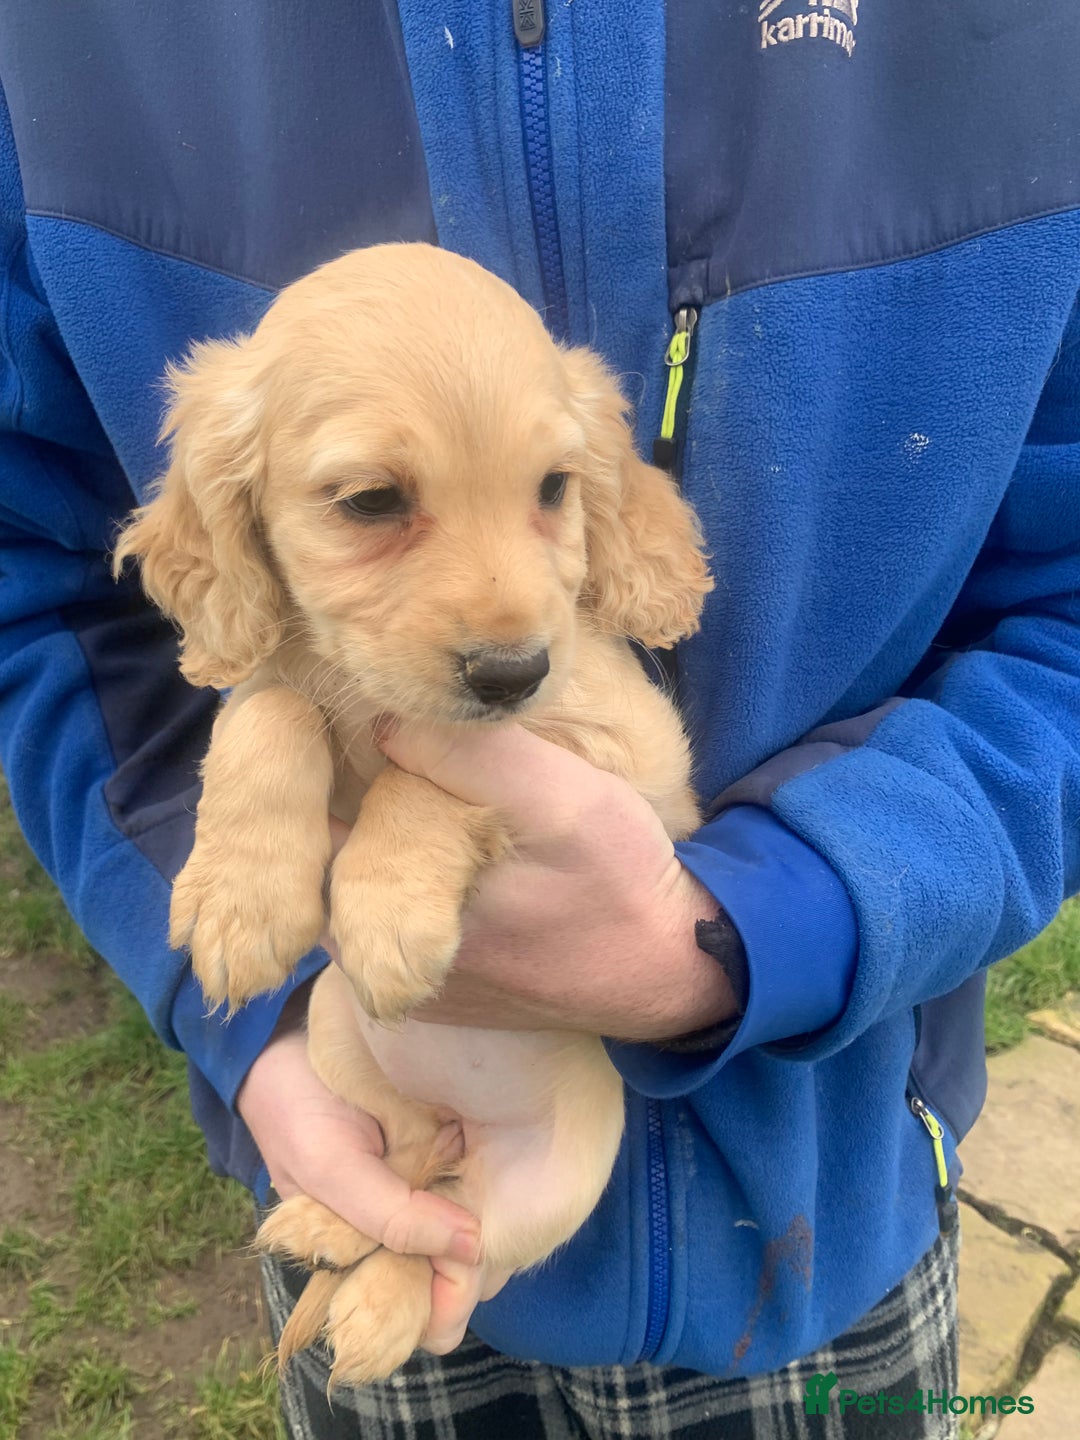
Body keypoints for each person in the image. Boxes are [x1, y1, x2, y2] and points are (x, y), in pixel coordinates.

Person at [1, 4, 1078, 1437]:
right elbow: (47, 582)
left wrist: (773, 922)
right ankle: (423, 1248)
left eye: (551, 491)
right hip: (343, 1144)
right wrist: (243, 1011)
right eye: (373, 503)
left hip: (819, 1217)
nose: (510, 625)